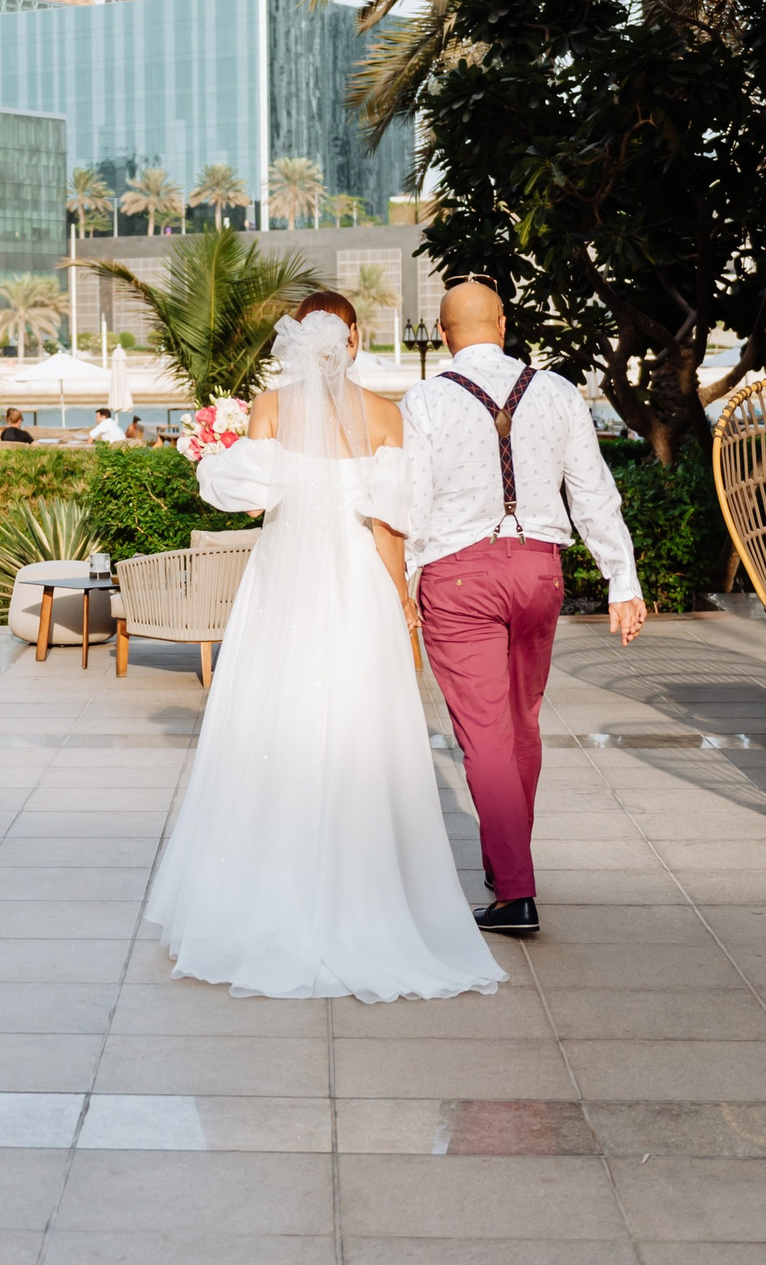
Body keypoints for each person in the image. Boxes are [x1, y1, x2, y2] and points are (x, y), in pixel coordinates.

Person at [143, 291, 505, 1002]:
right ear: (355, 341)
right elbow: (390, 524)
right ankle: (364, 903)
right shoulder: (384, 414)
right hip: (356, 584)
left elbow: (253, 501)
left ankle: (263, 901)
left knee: (277, 718)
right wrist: (401, 599)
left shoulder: (272, 407)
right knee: (355, 723)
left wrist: (215, 456)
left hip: (283, 584)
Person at [402, 280, 644, 939]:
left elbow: (412, 505)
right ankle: (507, 865)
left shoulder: (423, 399)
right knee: (520, 723)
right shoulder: (559, 390)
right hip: (539, 568)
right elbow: (594, 492)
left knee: (483, 735)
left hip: (457, 576)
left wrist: (402, 587)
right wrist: (623, 581)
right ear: (503, 324)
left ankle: (514, 892)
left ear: (445, 332)